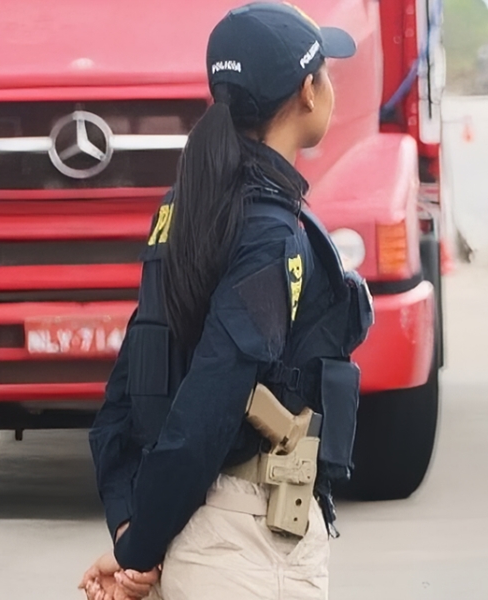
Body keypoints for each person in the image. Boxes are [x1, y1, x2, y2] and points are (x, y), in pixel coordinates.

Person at [78, 4, 372, 599]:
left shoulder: (180, 211)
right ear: (308, 93)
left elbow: (126, 395)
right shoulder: (270, 235)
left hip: (194, 536)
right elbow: (210, 403)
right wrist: (138, 547)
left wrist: (136, 531)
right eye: (327, 74)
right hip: (250, 545)